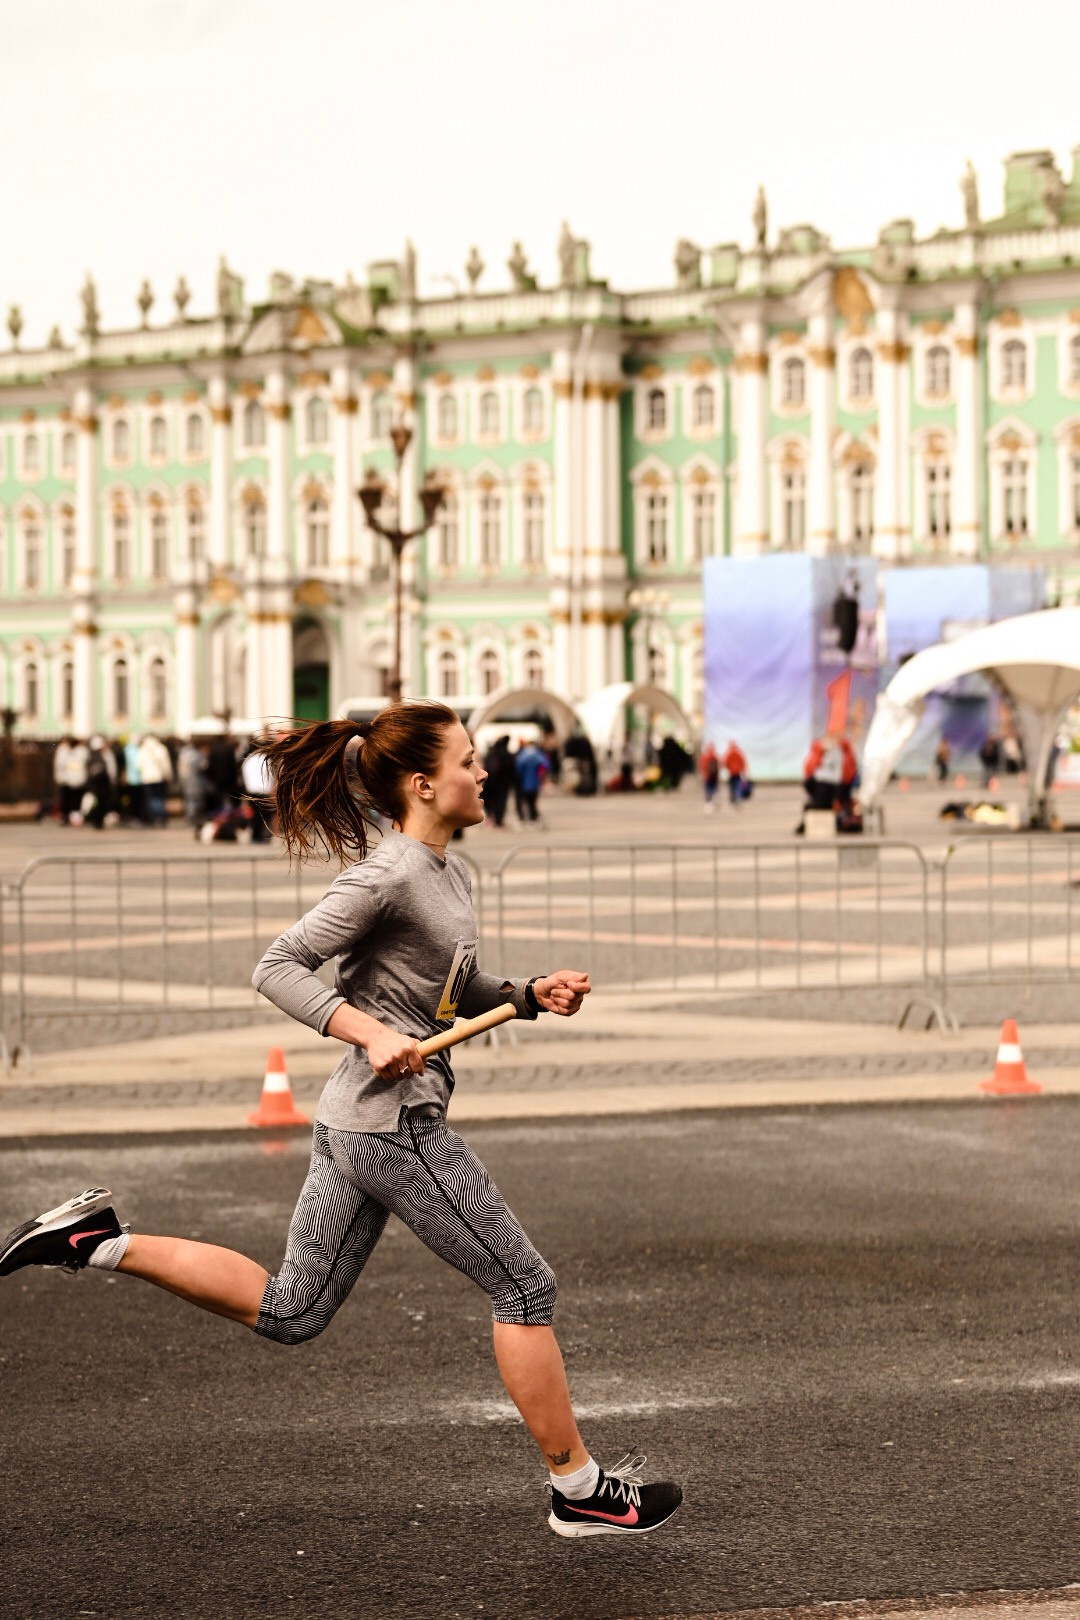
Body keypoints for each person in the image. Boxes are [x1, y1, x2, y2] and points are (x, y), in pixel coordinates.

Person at [0, 702, 682, 1540]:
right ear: (425, 784)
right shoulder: (388, 873)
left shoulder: (447, 873)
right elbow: (276, 966)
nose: (485, 772)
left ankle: (95, 1240)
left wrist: (523, 995)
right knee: (525, 1286)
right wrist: (366, 1030)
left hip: (352, 1125)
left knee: (292, 1311)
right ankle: (578, 1489)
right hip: (396, 1128)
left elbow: (442, 987)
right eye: (470, 760)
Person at [240, 733, 275, 843]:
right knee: (265, 815)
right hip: (264, 791)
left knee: (254, 815)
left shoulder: (248, 760)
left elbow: (244, 775)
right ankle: (263, 836)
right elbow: (271, 776)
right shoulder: (266, 760)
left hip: (251, 791)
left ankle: (255, 835)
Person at [138, 733, 174, 828]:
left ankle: (153, 818)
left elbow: (139, 765)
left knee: (150, 799)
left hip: (147, 778)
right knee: (159, 798)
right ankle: (161, 817)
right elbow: (166, 765)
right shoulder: (161, 749)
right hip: (159, 777)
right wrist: (169, 776)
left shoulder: (142, 749)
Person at [481, 734, 514, 828]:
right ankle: (499, 820)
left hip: (491, 782)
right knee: (501, 801)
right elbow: (510, 768)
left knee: (492, 801)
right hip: (503, 783)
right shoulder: (506, 754)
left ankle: (493, 818)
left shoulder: (492, 753)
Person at [514, 738, 550, 824]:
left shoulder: (523, 756)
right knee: (533, 801)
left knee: (526, 801)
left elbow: (518, 768)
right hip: (535, 782)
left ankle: (530, 817)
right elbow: (546, 765)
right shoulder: (538, 754)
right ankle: (534, 817)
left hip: (525, 782)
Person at [722, 739, 748, 807]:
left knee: (732, 787)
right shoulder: (738, 753)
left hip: (731, 773)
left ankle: (733, 799)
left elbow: (725, 763)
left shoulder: (729, 753)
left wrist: (729, 768)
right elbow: (743, 763)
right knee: (738, 787)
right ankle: (738, 799)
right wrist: (744, 772)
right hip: (737, 773)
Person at [699, 743, 720, 813]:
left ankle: (709, 802)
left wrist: (703, 773)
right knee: (714, 788)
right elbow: (720, 764)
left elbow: (702, 765)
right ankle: (714, 797)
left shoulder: (705, 756)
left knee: (708, 789)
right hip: (714, 776)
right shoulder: (715, 756)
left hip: (707, 776)